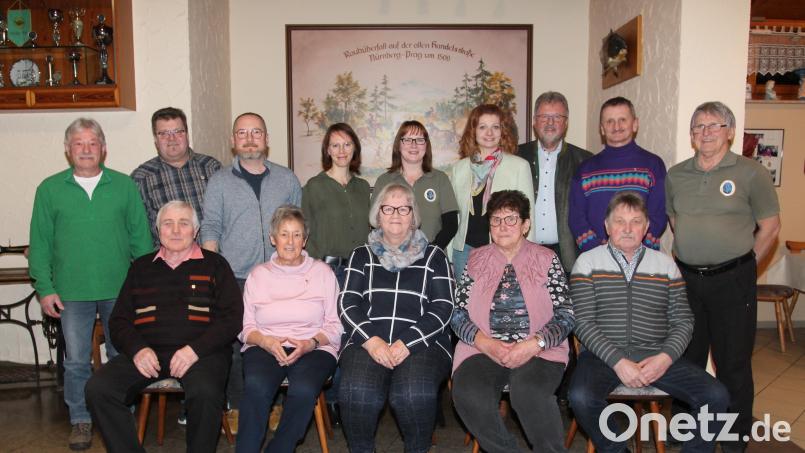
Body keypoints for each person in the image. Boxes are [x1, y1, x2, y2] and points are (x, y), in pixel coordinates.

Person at [568, 191, 729, 453]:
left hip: (656, 354)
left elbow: (684, 321)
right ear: (607, 226)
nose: (628, 229)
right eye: (619, 221)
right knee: (580, 397)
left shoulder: (665, 265)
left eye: (636, 221)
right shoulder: (587, 262)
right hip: (602, 356)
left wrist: (664, 358)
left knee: (716, 396)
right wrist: (618, 362)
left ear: (647, 227)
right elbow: (582, 321)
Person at [28, 118, 153, 451]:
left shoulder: (125, 186)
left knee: (121, 355)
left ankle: (121, 413)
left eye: (92, 143)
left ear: (103, 148)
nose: (86, 149)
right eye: (79, 143)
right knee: (76, 361)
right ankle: (81, 419)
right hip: (70, 293)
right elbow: (39, 245)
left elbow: (141, 240)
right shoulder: (49, 189)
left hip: (120, 290)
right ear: (68, 150)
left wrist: (146, 286)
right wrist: (45, 288)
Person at [666, 101, 780, 453]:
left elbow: (770, 226)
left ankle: (733, 438)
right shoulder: (677, 175)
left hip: (732, 281)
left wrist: (745, 267)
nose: (706, 133)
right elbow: (675, 221)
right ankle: (686, 430)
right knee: (688, 360)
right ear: (691, 135)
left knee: (732, 362)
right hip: (687, 281)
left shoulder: (750, 173)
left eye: (714, 125)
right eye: (699, 127)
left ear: (730, 132)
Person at [85, 201, 242, 453]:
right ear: (158, 231)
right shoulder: (141, 267)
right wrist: (137, 350)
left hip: (202, 354)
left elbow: (232, 318)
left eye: (184, 223)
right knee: (98, 388)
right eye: (168, 224)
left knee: (205, 392)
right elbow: (119, 321)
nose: (176, 230)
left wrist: (194, 350)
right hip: (148, 352)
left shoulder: (215, 265)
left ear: (196, 230)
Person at [201, 112, 303, 431]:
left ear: (266, 139)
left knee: (280, 338)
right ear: (234, 141)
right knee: (234, 345)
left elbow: (298, 226)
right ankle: (235, 405)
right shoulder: (219, 181)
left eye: (256, 132)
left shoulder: (287, 179)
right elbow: (211, 228)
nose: (249, 138)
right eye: (242, 133)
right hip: (235, 277)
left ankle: (274, 404)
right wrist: (211, 275)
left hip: (280, 275)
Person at [451, 190, 574, 453]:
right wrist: (485, 343)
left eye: (511, 219)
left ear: (526, 225)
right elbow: (458, 312)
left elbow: (565, 314)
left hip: (540, 351)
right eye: (496, 220)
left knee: (528, 393)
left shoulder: (546, 258)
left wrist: (533, 344)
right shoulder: (476, 259)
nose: (502, 226)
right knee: (468, 393)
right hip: (482, 349)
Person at [338, 183, 454, 453]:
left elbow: (443, 307)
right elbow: (347, 303)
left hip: (422, 344)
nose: (396, 214)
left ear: (413, 216)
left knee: (412, 395)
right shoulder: (360, 255)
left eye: (404, 208)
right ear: (377, 215)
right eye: (388, 208)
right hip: (368, 342)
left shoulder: (435, 256)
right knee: (357, 393)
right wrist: (372, 341)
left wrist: (407, 342)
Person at [236, 205, 342, 453]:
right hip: (265, 345)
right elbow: (245, 327)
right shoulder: (258, 276)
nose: (290, 241)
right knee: (256, 387)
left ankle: (280, 449)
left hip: (314, 345)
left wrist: (310, 343)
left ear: (305, 240)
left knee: (304, 389)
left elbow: (336, 324)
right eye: (284, 234)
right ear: (273, 239)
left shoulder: (323, 273)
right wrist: (266, 342)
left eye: (297, 234)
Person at [301, 122, 370, 426]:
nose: (341, 151)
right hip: (326, 271)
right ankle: (330, 399)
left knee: (355, 335)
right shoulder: (314, 186)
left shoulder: (363, 187)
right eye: (335, 145)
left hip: (360, 271)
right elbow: (305, 231)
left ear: (354, 148)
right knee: (332, 335)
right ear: (327, 150)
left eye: (347, 145)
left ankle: (347, 396)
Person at [568, 96, 667, 253]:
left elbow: (659, 215)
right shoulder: (585, 169)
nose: (616, 126)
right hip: (597, 259)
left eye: (622, 120)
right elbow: (576, 218)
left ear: (635, 124)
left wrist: (635, 250)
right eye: (609, 121)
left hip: (642, 259)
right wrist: (599, 252)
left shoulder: (653, 165)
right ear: (602, 128)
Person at [449, 104, 535, 277]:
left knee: (500, 304)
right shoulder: (459, 168)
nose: (489, 133)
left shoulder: (519, 166)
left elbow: (528, 214)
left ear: (502, 131)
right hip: (464, 251)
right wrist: (451, 253)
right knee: (466, 304)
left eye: (495, 127)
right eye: (483, 127)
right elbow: (454, 215)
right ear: (473, 131)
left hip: (504, 250)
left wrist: (527, 255)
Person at [516, 91, 592, 272]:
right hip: (523, 254)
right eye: (544, 117)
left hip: (568, 257)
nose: (550, 123)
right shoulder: (516, 156)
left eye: (557, 117)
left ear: (566, 123)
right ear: (534, 121)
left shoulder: (585, 161)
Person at [131, 107, 222, 244]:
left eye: (178, 132)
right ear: (155, 139)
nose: (171, 138)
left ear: (187, 135)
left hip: (214, 259)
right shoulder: (141, 178)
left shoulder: (212, 168)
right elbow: (135, 230)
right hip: (168, 263)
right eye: (163, 133)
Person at [373, 120, 459, 250]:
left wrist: (430, 251)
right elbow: (376, 224)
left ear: (426, 145)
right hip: (392, 258)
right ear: (399, 145)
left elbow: (451, 225)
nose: (414, 145)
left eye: (419, 140)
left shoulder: (440, 179)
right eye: (407, 140)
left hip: (432, 258)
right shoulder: (383, 181)